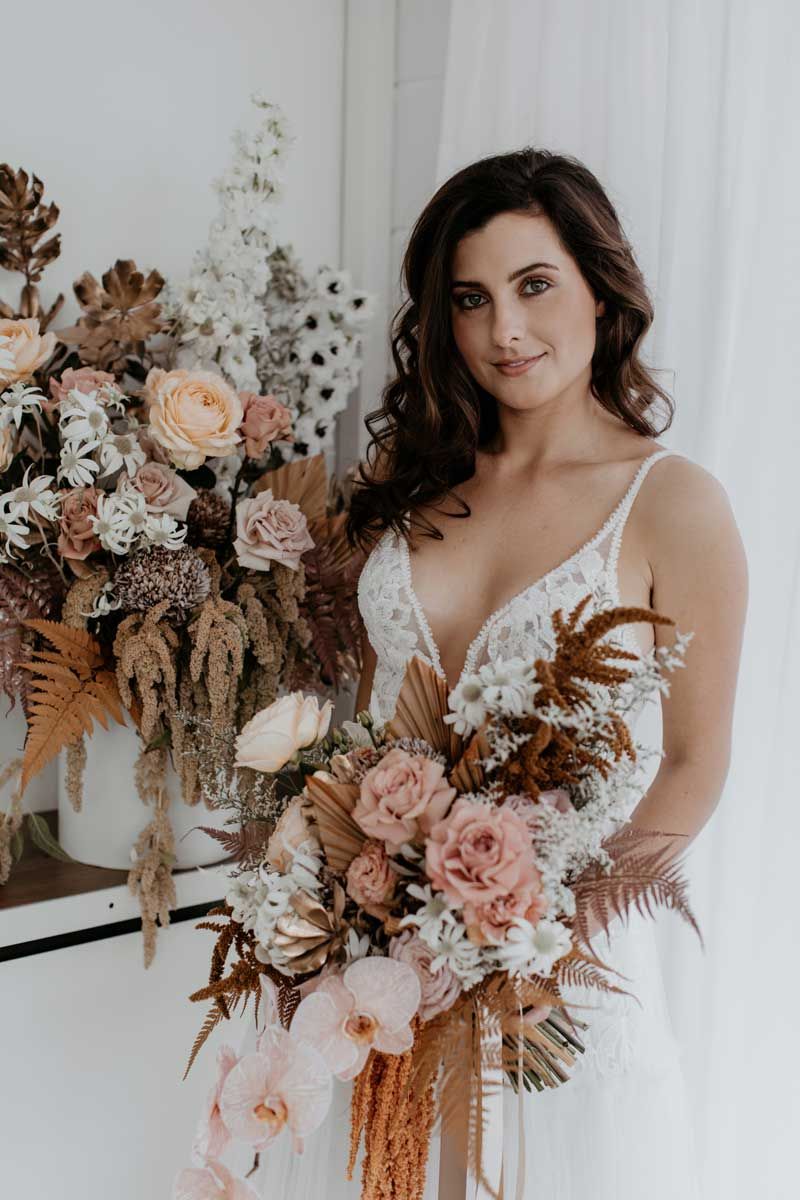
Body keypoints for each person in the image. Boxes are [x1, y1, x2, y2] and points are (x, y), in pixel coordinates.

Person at [255, 149, 748, 1198]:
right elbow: (363, 729)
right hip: (387, 977)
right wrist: (327, 890)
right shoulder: (405, 485)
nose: (502, 334)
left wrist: (542, 942)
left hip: (558, 989)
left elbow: (695, 764)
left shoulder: (671, 503)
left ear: (599, 288)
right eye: (469, 300)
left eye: (534, 286)